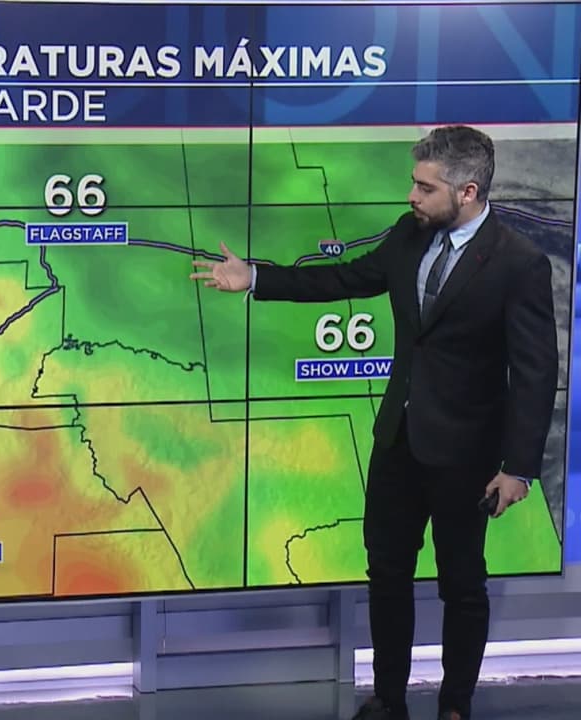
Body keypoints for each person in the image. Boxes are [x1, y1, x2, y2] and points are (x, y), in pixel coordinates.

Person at [190, 125, 557, 720]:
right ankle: (388, 700)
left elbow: (536, 372)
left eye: (425, 187)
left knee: (462, 584)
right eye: (414, 183)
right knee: (387, 574)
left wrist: (518, 468)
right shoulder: (410, 235)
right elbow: (343, 278)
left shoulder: (519, 263)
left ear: (466, 192)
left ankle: (454, 707)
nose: (412, 195)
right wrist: (256, 277)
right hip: (398, 442)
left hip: (465, 455)